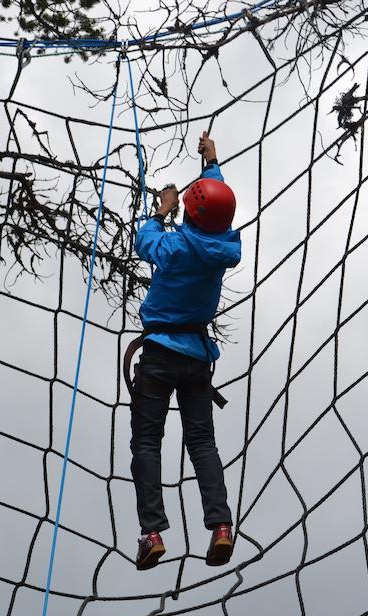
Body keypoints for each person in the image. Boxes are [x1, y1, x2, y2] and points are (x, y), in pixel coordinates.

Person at [127, 131, 241, 571]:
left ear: (188, 213)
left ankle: (152, 532)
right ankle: (221, 526)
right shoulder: (223, 247)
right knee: (202, 443)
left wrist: (162, 209)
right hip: (197, 356)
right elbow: (218, 206)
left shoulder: (172, 246)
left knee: (146, 443)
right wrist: (212, 164)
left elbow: (145, 241)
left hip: (158, 356)